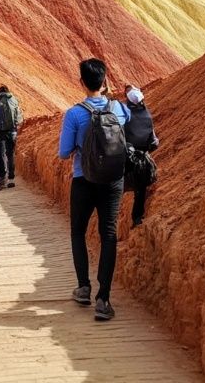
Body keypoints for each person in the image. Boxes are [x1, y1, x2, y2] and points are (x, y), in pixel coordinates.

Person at [58, 59, 130, 321]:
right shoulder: (119, 109)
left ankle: (84, 288)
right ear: (105, 81)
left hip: (83, 178)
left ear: (81, 82)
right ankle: (104, 299)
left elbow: (64, 152)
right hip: (113, 180)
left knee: (78, 231)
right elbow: (128, 121)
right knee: (108, 234)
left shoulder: (75, 114)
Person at [124, 85, 159, 228]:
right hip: (142, 162)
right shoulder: (147, 116)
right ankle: (137, 218)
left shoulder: (125, 116)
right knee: (141, 190)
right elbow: (154, 142)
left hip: (126, 160)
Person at [0, 86, 23, 189]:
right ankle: (11, 178)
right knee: (10, 154)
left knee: (2, 154)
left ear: (0, 92)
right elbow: (20, 116)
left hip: (2, 131)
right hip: (13, 131)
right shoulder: (14, 99)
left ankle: (3, 178)